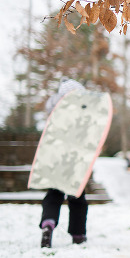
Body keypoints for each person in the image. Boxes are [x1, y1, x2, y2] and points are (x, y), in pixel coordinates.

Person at [39, 77, 90, 248]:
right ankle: (78, 234)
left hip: (55, 157)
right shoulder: (78, 114)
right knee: (77, 196)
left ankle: (48, 224)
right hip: (74, 159)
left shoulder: (53, 113)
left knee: (54, 194)